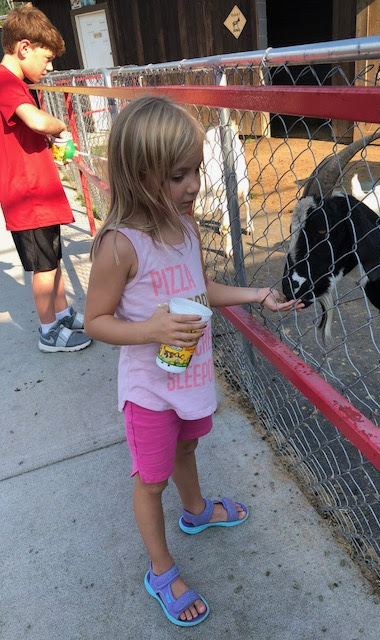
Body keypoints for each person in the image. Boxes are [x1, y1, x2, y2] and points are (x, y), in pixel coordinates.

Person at [84, 95, 302, 627]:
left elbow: (200, 289)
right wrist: (150, 330)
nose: (194, 186)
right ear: (139, 174)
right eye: (178, 175)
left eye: (197, 171)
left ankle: (197, 511)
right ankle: (161, 570)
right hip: (150, 391)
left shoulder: (185, 229)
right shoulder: (119, 246)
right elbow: (95, 321)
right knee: (150, 480)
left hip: (190, 378)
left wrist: (256, 296)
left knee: (189, 446)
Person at [0, 6, 91, 352]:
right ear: (24, 48)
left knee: (53, 261)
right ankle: (49, 331)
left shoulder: (15, 84)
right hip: (28, 196)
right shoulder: (5, 82)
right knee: (44, 268)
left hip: (38, 192)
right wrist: (60, 126)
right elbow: (37, 121)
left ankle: (62, 314)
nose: (50, 67)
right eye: (47, 58)